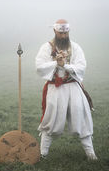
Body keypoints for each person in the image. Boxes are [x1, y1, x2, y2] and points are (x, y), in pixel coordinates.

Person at [35, 19, 97, 160]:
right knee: (51, 120)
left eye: (65, 32)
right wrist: (56, 63)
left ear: (68, 31)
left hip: (73, 87)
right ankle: (43, 154)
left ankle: (91, 154)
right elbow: (39, 66)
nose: (63, 35)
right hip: (55, 88)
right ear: (54, 31)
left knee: (81, 117)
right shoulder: (46, 47)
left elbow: (81, 66)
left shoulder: (75, 47)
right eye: (60, 32)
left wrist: (65, 66)